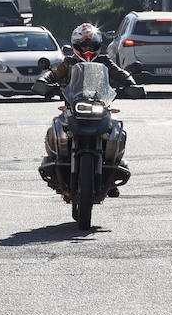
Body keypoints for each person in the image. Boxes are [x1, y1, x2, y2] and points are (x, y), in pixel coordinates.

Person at [36, 24, 135, 196]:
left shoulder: (104, 61)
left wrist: (130, 83)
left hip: (99, 108)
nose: (87, 48)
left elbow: (119, 73)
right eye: (84, 45)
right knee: (57, 127)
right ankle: (57, 162)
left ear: (97, 45)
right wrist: (44, 82)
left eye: (90, 45)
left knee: (116, 131)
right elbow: (53, 74)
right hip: (72, 109)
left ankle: (110, 171)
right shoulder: (69, 62)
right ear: (76, 45)